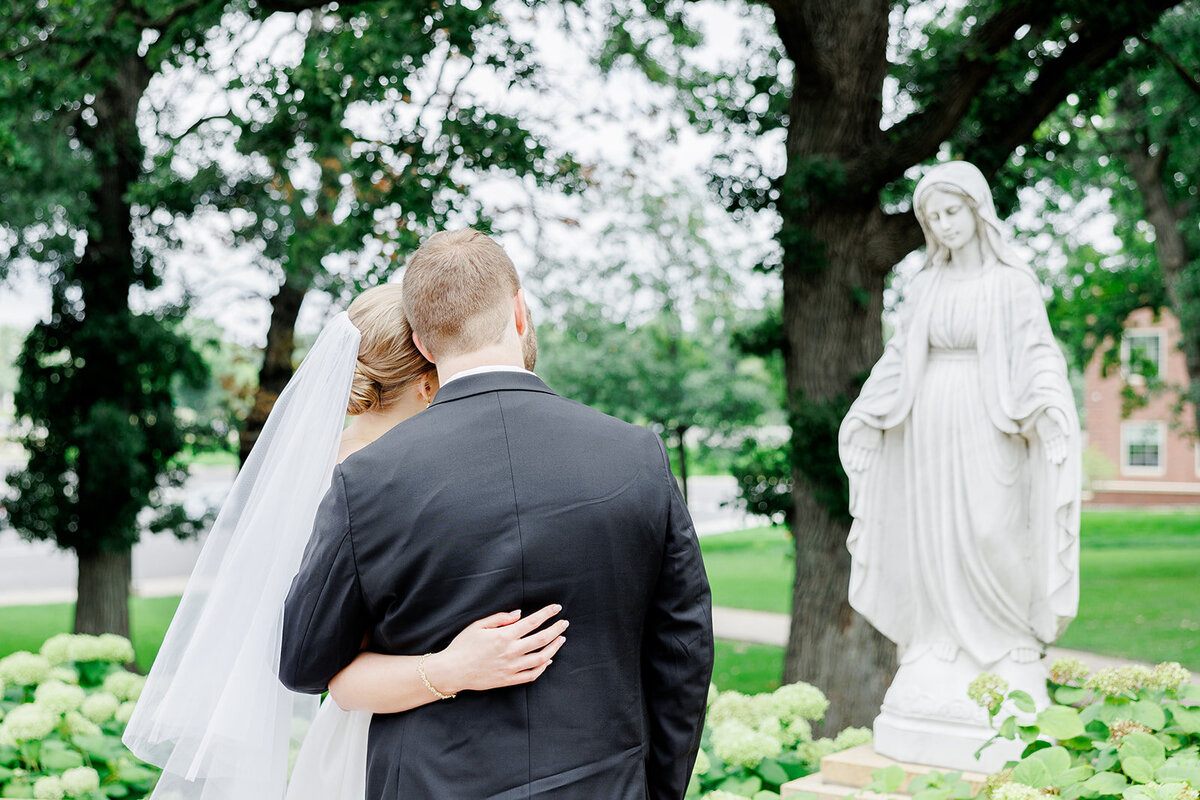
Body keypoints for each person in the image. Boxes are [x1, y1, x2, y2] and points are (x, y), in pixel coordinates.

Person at [279, 228, 714, 799]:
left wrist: (437, 671)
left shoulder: (367, 480)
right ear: (519, 312)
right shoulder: (637, 455)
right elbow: (683, 647)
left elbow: (304, 663)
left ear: (424, 344)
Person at [124, 284, 558, 800]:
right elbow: (338, 678)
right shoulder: (357, 481)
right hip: (379, 752)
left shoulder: (351, 463)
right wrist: (453, 667)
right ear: (427, 381)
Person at [838, 161, 1080, 761]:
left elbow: (1038, 354)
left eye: (953, 212)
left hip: (989, 420)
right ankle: (938, 641)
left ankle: (1009, 642)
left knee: (994, 530)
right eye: (933, 216)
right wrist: (869, 413)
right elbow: (898, 357)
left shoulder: (1011, 283)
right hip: (928, 423)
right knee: (935, 537)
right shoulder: (925, 286)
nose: (944, 225)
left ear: (978, 211)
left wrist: (1048, 409)